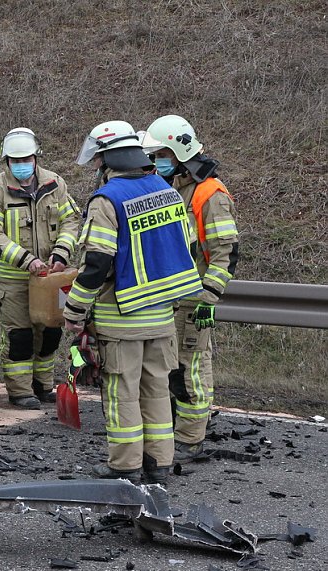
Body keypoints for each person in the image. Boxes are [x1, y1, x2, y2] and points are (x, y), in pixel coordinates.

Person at [63, 120, 203, 484]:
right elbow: (186, 250)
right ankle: (158, 463)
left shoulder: (108, 200)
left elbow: (96, 264)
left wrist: (75, 311)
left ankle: (124, 466)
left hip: (121, 320)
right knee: (157, 390)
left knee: (122, 394)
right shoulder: (170, 193)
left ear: (109, 160)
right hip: (162, 318)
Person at [142, 115, 239, 462]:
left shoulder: (208, 193)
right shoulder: (165, 186)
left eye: (161, 154)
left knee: (191, 369)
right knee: (166, 369)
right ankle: (170, 432)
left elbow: (225, 250)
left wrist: (209, 296)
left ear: (179, 151)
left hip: (193, 298)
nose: (155, 161)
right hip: (166, 298)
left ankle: (189, 439)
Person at [0, 128, 81, 410]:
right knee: (20, 336)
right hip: (13, 280)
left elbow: (71, 220)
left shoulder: (55, 184)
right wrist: (27, 260)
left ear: (36, 158)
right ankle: (20, 391)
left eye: (27, 159)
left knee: (50, 333)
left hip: (51, 277)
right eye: (15, 160)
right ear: (7, 161)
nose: (22, 165)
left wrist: (61, 252)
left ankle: (43, 385)